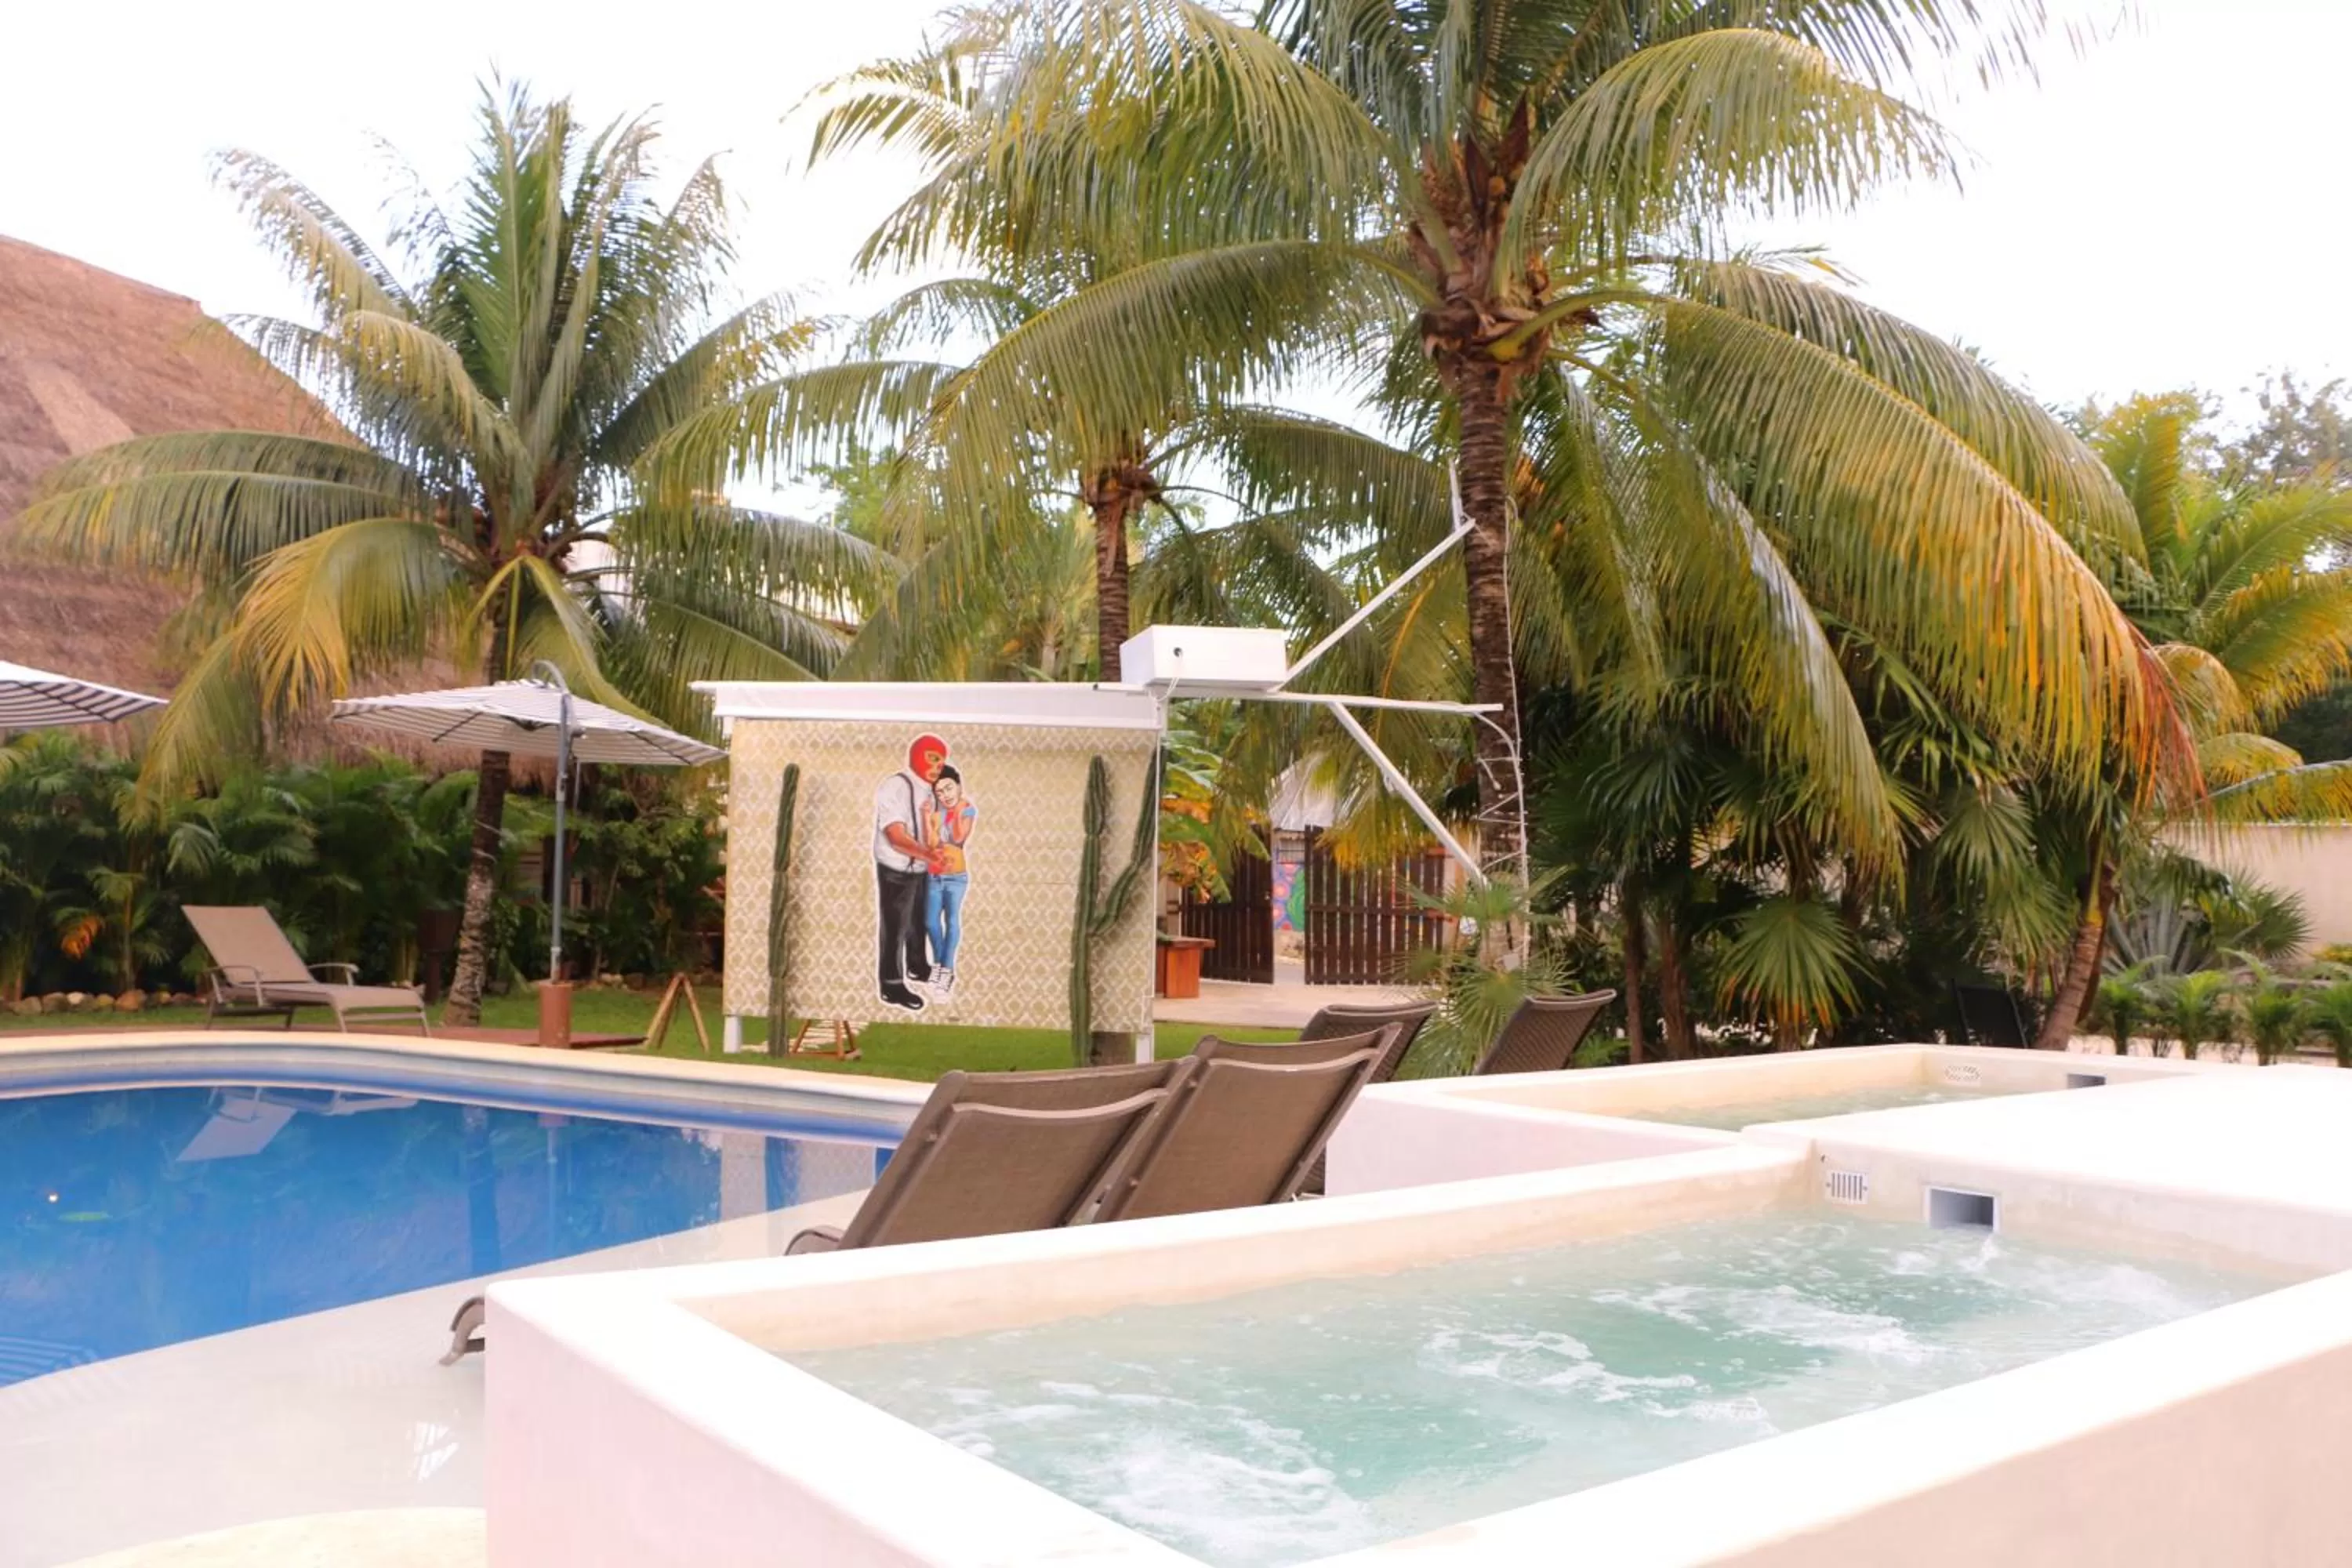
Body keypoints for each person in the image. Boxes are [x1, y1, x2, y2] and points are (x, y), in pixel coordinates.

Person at [873, 734, 948, 1011]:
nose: (937, 766)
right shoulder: (896, 786)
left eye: (941, 761)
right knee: (895, 926)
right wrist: (929, 854)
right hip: (896, 868)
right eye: (933, 758)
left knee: (918, 920)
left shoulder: (930, 790)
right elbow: (895, 835)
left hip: (920, 868)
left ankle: (917, 966)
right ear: (917, 755)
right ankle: (892, 984)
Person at [920, 765, 976, 995]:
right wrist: (926, 817)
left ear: (959, 786)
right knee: (931, 922)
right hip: (934, 875)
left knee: (952, 921)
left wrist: (958, 810)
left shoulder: (968, 810)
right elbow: (932, 843)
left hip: (956, 877)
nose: (945, 795)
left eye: (949, 788)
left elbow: (958, 837)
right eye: (940, 792)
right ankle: (941, 965)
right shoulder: (936, 814)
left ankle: (946, 969)